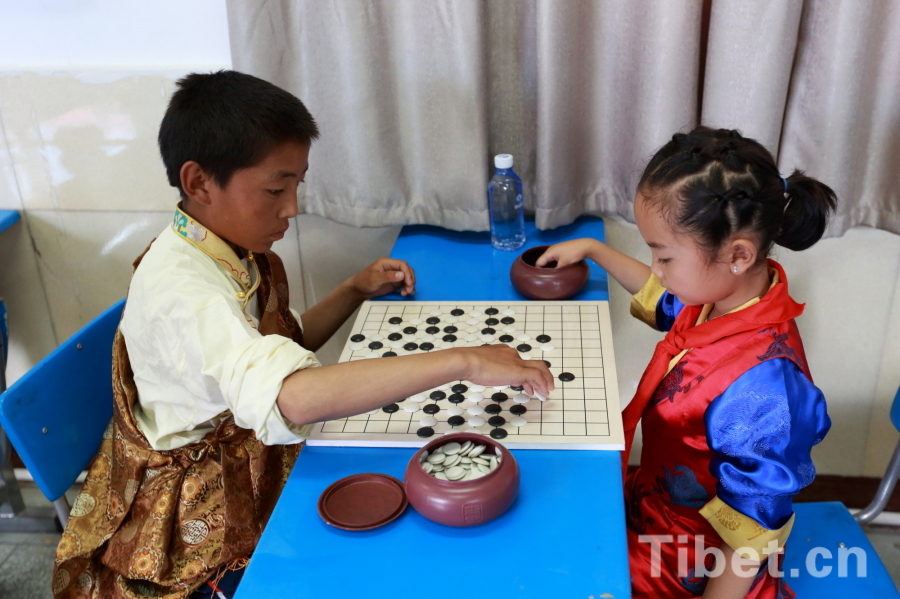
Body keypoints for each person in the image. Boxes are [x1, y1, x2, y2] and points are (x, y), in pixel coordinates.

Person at [51, 70, 554, 599]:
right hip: (198, 522)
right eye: (275, 188)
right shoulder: (184, 291)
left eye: (297, 184)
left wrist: (355, 289)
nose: (292, 207)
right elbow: (291, 395)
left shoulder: (222, 248)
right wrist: (465, 361)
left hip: (253, 459)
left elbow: (282, 352)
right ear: (198, 182)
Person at [537, 127, 834, 599]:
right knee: (553, 501)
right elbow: (664, 302)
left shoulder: (764, 389)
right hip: (655, 501)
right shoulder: (719, 298)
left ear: (738, 254)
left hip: (694, 555)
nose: (656, 269)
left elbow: (749, 539)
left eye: (664, 255)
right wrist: (595, 251)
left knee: (558, 569)